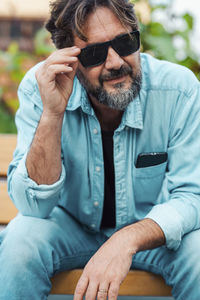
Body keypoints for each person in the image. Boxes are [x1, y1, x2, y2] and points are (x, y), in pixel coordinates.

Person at [0, 0, 200, 299]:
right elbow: (33, 207)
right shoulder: (42, 89)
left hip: (150, 235)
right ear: (70, 59)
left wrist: (126, 240)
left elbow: (192, 195)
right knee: (20, 242)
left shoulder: (178, 89)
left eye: (125, 42)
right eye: (94, 53)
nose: (115, 62)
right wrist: (53, 114)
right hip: (69, 231)